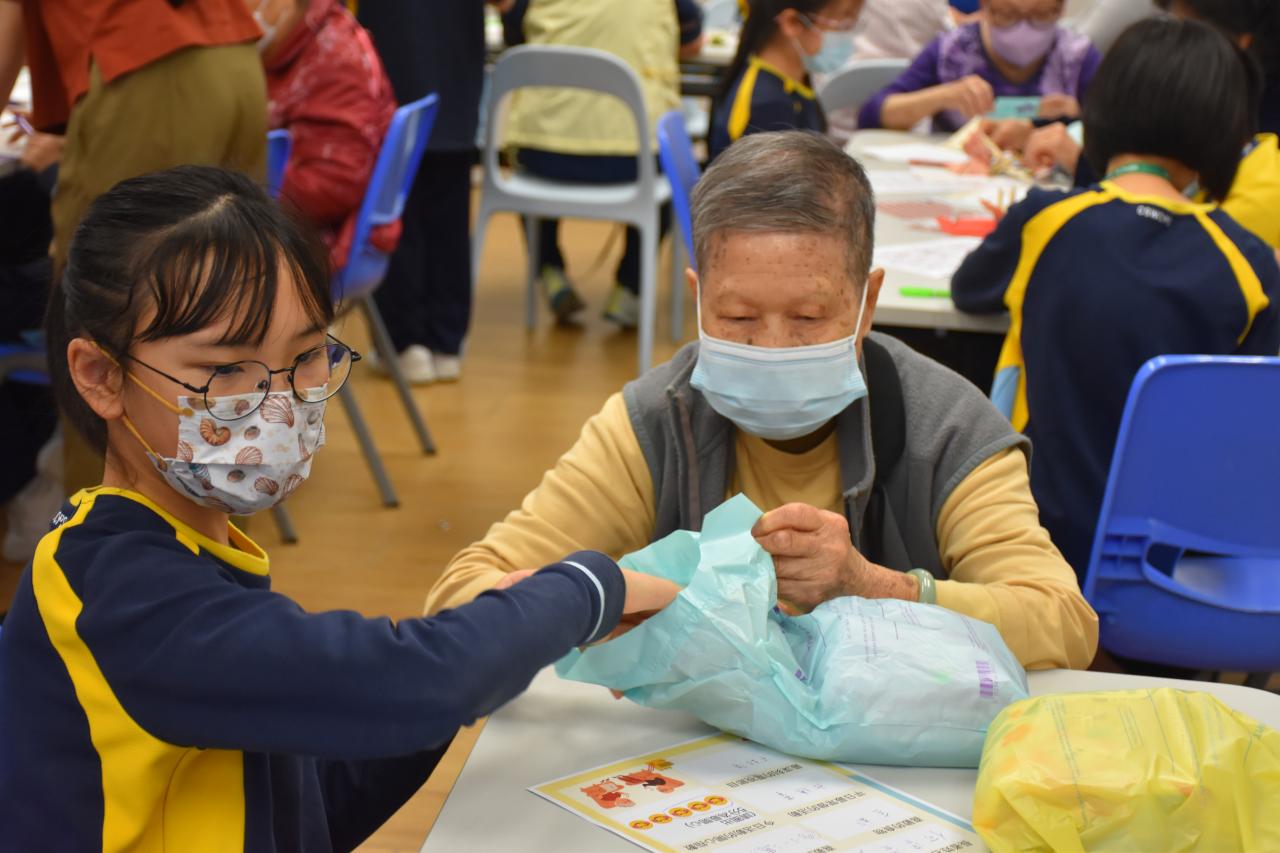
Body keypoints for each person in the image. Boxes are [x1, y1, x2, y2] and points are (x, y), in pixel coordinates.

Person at [0, 166, 680, 846]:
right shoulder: (116, 591)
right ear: (102, 375)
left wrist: (474, 653)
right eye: (226, 369)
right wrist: (587, 590)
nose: (279, 403)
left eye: (306, 356)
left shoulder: (195, 552)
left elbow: (310, 807)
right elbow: (417, 682)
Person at [428, 131, 1100, 671]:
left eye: (809, 318)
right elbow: (463, 595)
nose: (773, 346)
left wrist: (875, 587)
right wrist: (624, 603)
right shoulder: (655, 424)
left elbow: (1064, 622)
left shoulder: (945, 427)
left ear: (867, 304)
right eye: (738, 317)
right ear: (697, 299)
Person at [951, 17, 1280, 579]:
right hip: (1185, 563)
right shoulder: (1250, 261)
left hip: (1034, 546)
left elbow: (968, 290)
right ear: (1227, 130)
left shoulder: (1045, 219)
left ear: (1100, 112)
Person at [0, 0, 269, 496]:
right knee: (222, 320)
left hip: (148, 71)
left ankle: (111, 535)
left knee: (108, 335)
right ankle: (212, 530)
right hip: (229, 56)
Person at [501, 0, 703, 327]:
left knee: (529, 171)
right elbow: (692, 44)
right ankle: (630, 287)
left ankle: (550, 269)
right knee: (667, 172)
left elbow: (516, 37)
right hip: (633, 158)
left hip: (542, 153)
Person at [1022, 0, 1280, 249]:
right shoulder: (1224, 154)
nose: (1168, 50)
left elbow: (1151, 255)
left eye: (1189, 36)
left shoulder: (1251, 206)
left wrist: (1084, 165)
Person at [358, 0, 497, 385]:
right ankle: (446, 344)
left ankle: (405, 344)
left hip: (392, 74)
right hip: (455, 79)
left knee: (397, 213)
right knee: (449, 219)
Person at [259, 0, 400, 275]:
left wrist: (243, 182)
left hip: (314, 238)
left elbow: (335, 184)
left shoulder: (334, 55)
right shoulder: (301, 43)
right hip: (289, 224)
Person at [857, 0, 1101, 135]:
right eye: (1006, 15)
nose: (1023, 28)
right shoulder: (952, 52)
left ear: (1061, 9)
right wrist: (942, 96)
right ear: (984, 7)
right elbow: (873, 115)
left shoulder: (1077, 58)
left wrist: (1076, 121)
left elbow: (1114, 141)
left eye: (1041, 15)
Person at [708, 0, 864, 160]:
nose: (849, 36)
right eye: (843, 25)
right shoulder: (765, 104)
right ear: (792, 22)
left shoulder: (796, 79)